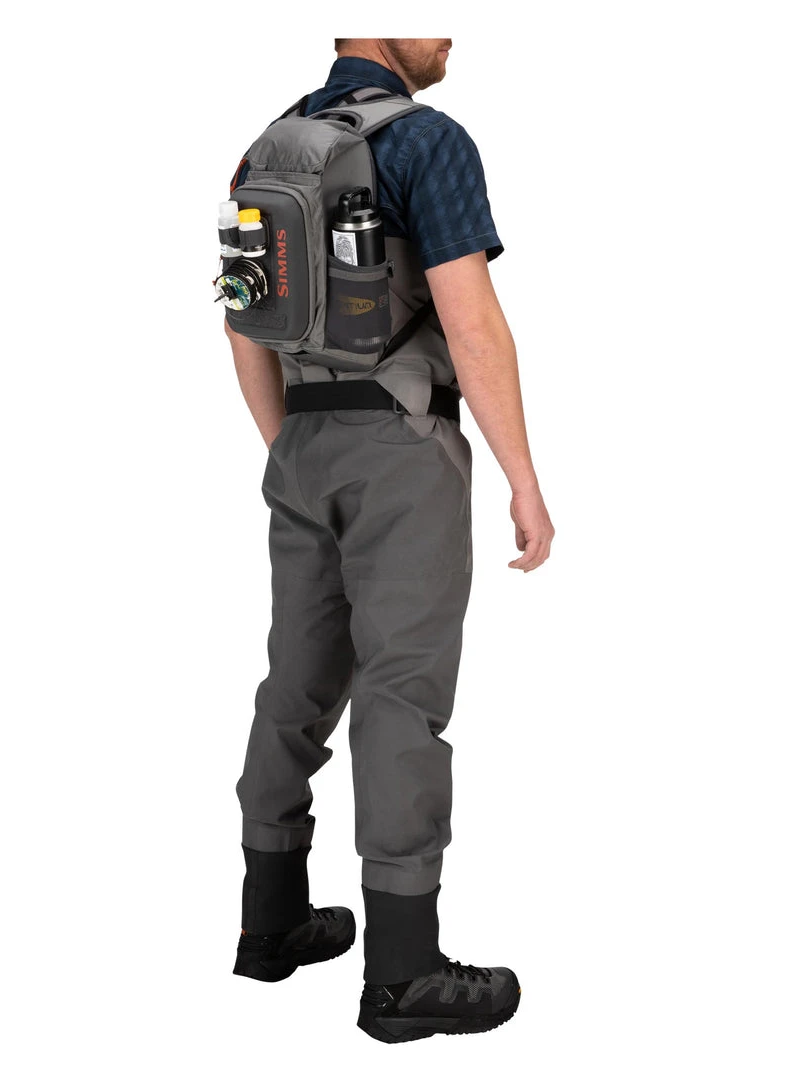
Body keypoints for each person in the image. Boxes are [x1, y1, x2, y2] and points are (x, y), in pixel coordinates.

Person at [224, 38, 554, 1043]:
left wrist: (294, 450)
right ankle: (403, 975)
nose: (450, 34)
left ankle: (271, 923)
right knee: (402, 694)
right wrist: (524, 481)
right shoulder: (427, 142)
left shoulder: (264, 150)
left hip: (301, 441)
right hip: (404, 450)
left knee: (297, 680)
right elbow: (471, 323)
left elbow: (242, 323)